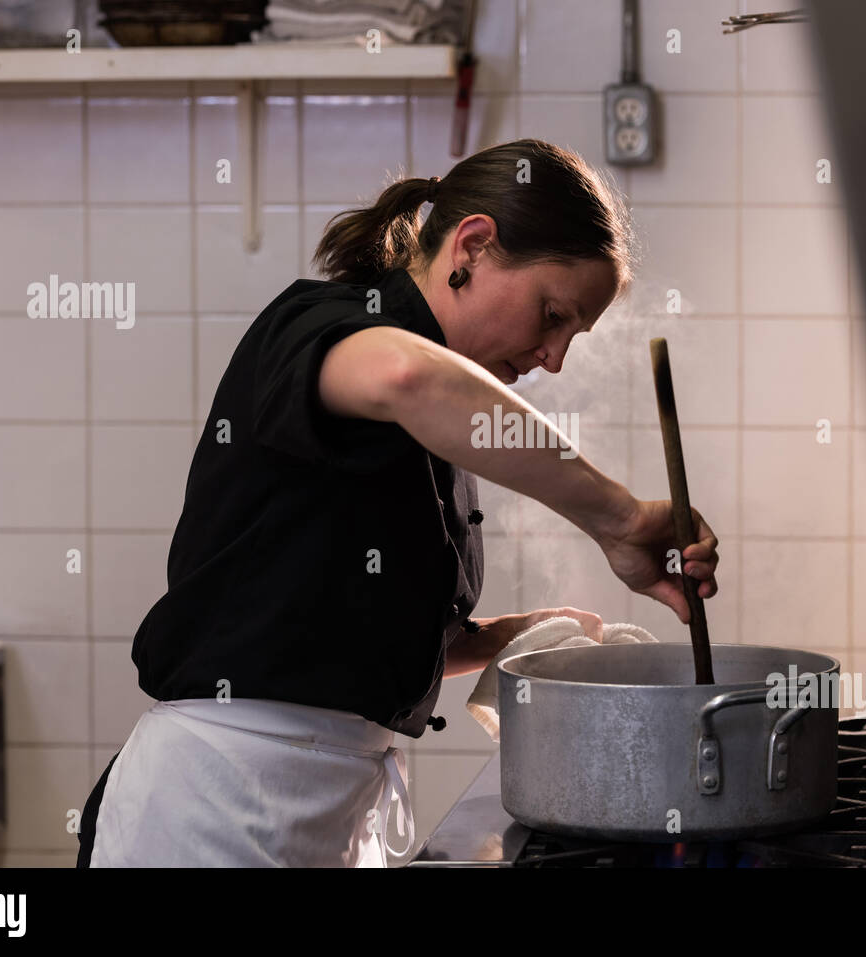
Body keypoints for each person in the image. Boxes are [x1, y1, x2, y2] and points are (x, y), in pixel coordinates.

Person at [76, 138, 719, 867]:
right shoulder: (324, 325)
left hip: (331, 809)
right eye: (551, 314)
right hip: (211, 807)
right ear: (472, 245)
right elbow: (406, 378)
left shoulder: (440, 422)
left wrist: (517, 636)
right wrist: (621, 518)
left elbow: (356, 634)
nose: (555, 357)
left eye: (574, 333)